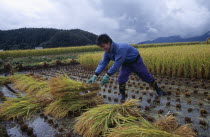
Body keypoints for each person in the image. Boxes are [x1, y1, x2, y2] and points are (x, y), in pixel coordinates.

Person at [87, 34, 166, 101]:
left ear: (108, 42)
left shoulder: (120, 48)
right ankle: (123, 96)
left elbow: (117, 64)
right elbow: (103, 63)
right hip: (126, 64)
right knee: (121, 79)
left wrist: (107, 75)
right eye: (101, 47)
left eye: (103, 46)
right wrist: (95, 75)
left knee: (146, 76)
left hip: (136, 62)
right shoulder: (107, 52)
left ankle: (158, 90)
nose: (102, 49)